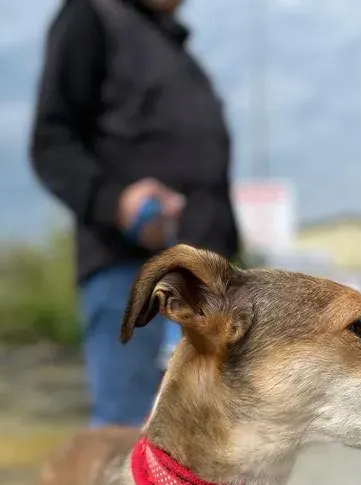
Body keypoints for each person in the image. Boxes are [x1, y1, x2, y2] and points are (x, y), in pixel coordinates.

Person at [29, 0, 241, 427]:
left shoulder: (175, 49)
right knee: (126, 442)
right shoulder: (92, 15)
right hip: (132, 275)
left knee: (203, 452)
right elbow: (51, 142)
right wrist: (116, 202)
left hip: (206, 285)